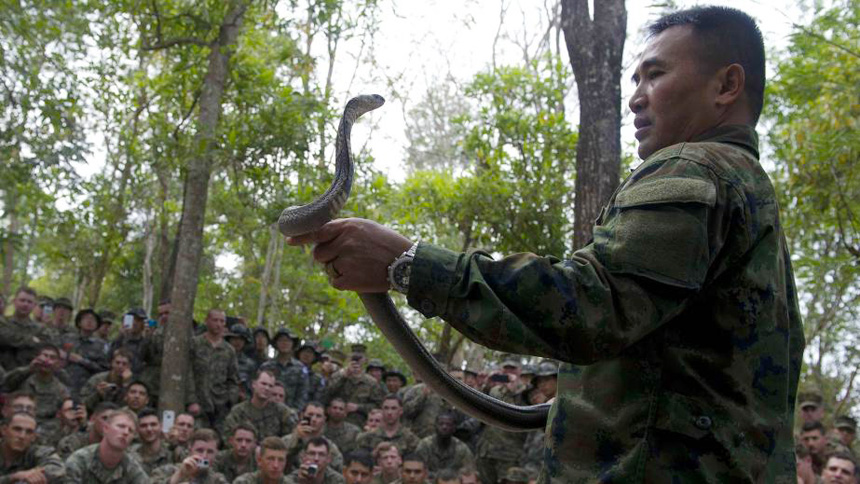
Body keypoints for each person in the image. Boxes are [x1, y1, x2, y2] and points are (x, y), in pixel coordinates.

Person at [287, 5, 803, 482]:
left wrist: (407, 265)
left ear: (727, 84)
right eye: (634, 78)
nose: (635, 96)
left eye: (656, 74)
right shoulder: (747, 193)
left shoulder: (694, 169)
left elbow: (593, 304)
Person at [65, 409, 149, 483]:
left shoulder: (131, 468)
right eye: (121, 426)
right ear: (106, 428)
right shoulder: (80, 461)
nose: (126, 432)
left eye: (130, 430)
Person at [191, 308, 240, 430]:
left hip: (220, 405)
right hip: (198, 402)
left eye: (222, 321)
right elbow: (188, 374)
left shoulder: (229, 350)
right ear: (207, 321)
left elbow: (233, 379)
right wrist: (190, 400)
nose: (218, 324)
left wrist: (230, 401)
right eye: (215, 320)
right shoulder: (195, 344)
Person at [2, 344, 71, 425]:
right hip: (19, 422)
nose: (47, 360)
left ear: (58, 364)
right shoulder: (22, 378)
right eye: (45, 356)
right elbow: (5, 384)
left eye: (52, 358)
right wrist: (30, 368)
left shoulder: (61, 389)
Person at [224, 369, 298, 439]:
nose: (267, 388)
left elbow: (292, 436)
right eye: (263, 384)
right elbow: (228, 436)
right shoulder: (239, 411)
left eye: (270, 386)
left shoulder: (281, 411)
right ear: (254, 384)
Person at [324, 346, 385, 428]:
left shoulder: (371, 382)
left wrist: (358, 407)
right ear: (349, 359)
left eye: (360, 358)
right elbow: (326, 395)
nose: (357, 361)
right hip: (335, 425)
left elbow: (378, 406)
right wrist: (344, 376)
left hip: (360, 426)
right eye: (354, 358)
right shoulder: (337, 376)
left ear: (365, 360)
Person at [0, 412, 66, 482]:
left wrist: (33, 474)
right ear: (4, 430)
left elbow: (57, 468)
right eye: (17, 429)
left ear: (34, 437)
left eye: (29, 432)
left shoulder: (37, 452)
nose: (22, 436)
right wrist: (13, 477)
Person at [0, 286, 55, 370]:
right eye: (22, 300)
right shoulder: (3, 322)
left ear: (34, 305)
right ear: (14, 302)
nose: (25, 304)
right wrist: (31, 340)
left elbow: (45, 347)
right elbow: (3, 337)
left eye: (29, 302)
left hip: (28, 376)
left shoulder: (40, 328)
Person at [283, 401, 344, 472]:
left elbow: (338, 470)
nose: (314, 419)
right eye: (310, 415)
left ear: (324, 420)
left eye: (318, 416)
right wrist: (297, 439)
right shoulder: (286, 441)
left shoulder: (330, 447)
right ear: (302, 416)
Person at [151, 428, 229, 483]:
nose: (204, 456)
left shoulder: (217, 480)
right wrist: (179, 475)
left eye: (210, 452)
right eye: (199, 450)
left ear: (216, 454)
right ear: (190, 449)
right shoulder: (166, 471)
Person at [63, 308, 110, 399]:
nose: (89, 321)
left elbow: (104, 369)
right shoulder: (67, 338)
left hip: (87, 389)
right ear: (79, 322)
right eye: (86, 318)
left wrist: (82, 361)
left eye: (92, 319)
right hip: (65, 385)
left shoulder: (102, 345)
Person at [261, 327, 310, 410]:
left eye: (288, 341)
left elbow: (302, 394)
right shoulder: (266, 366)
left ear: (292, 344)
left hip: (291, 412)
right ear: (276, 344)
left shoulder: (300, 369)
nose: (284, 343)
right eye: (281, 340)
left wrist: (295, 412)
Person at [129, 407, 173, 474]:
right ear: (137, 430)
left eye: (153, 424)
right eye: (143, 426)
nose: (149, 429)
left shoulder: (172, 452)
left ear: (161, 426)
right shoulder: (130, 455)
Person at [108, 308, 148, 375]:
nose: (135, 323)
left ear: (142, 323)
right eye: (132, 319)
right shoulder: (119, 340)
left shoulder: (146, 342)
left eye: (138, 320)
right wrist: (120, 337)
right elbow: (109, 358)